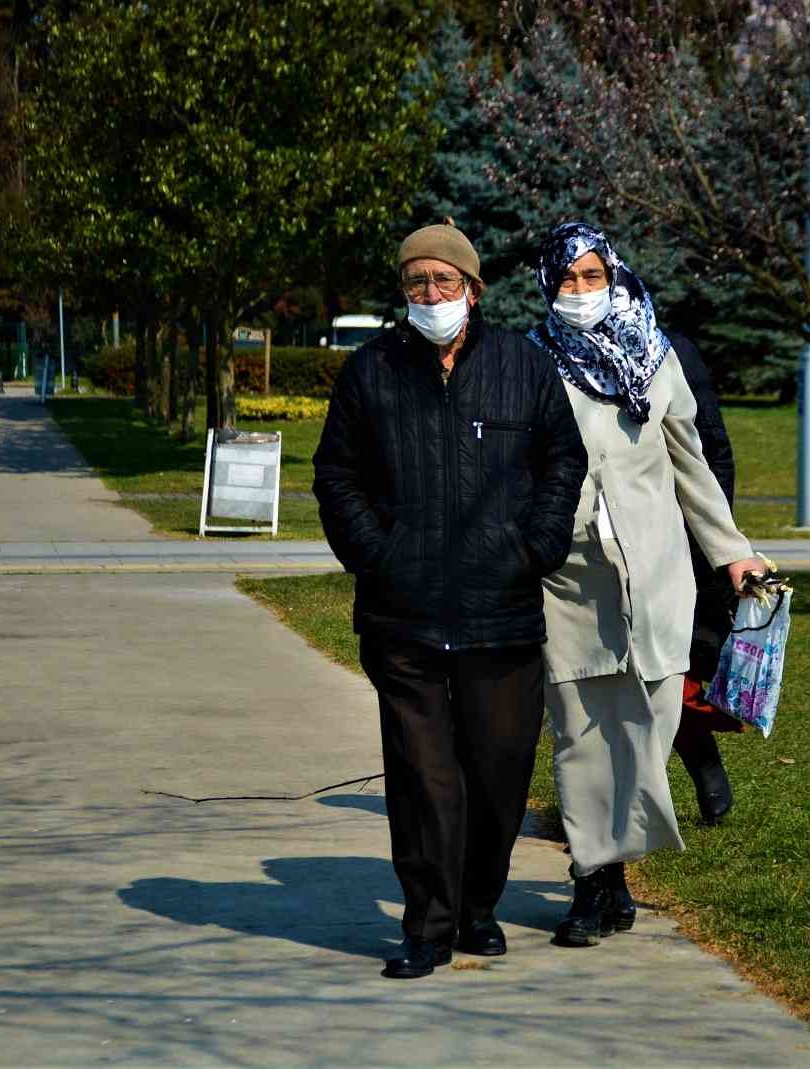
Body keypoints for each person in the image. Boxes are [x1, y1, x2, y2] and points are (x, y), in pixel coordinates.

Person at [312, 222, 587, 979]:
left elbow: (564, 459)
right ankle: (428, 925)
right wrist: (377, 553)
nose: (430, 295)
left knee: (498, 772)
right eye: (416, 282)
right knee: (423, 775)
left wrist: (533, 547)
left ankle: (476, 906)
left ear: (473, 288)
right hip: (404, 616)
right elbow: (336, 475)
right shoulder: (372, 371)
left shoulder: (522, 367)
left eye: (444, 281)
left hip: (501, 614)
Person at [528, 221, 764, 948]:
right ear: (547, 284)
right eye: (566, 279)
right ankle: (594, 881)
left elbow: (693, 468)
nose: (579, 292)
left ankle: (614, 870)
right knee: (578, 732)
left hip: (654, 571)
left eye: (592, 277)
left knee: (650, 724)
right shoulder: (530, 362)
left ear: (615, 276)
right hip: (567, 579)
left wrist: (734, 552)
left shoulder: (657, 359)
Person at [671, 336, 746, 826]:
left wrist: (714, 547)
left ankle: (702, 762)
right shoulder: (551, 350)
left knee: (674, 675)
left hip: (676, 540)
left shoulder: (671, 352)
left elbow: (710, 450)